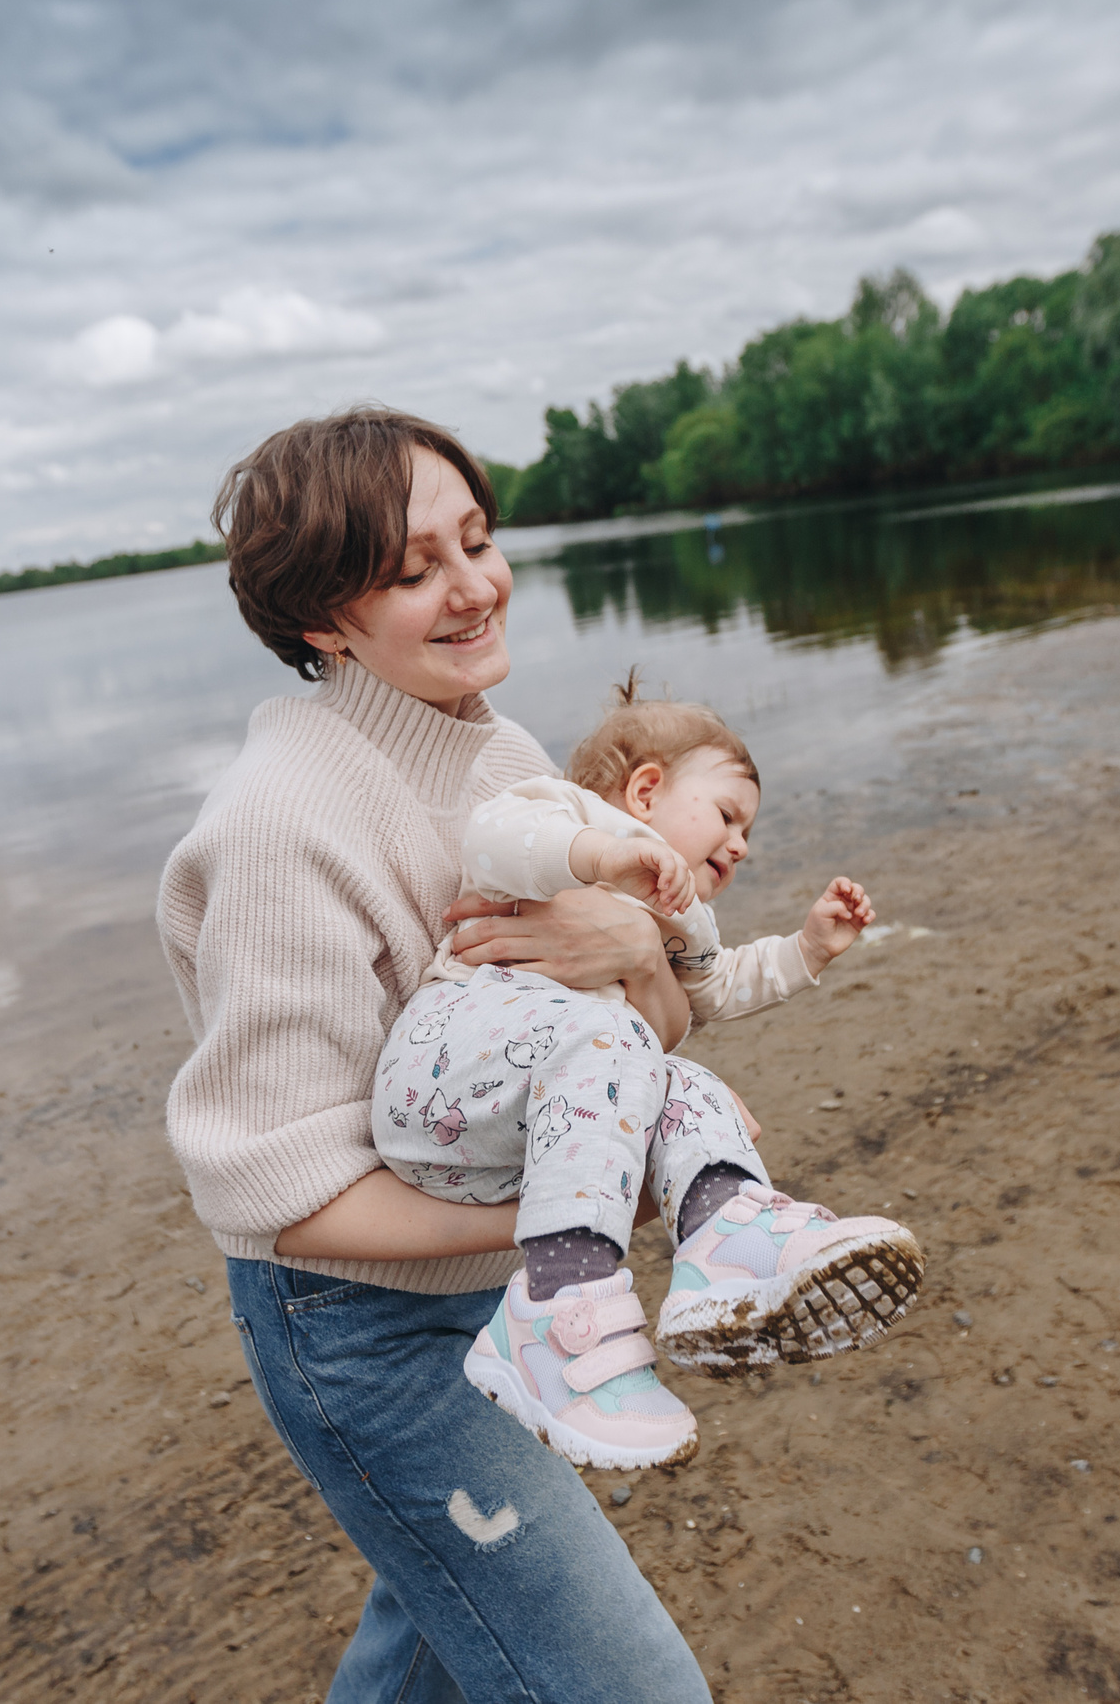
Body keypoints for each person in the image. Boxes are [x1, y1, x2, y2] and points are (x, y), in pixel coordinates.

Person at [160, 408, 712, 1701]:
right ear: (319, 619)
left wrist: (631, 944)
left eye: (478, 539)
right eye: (414, 570)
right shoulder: (280, 825)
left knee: (436, 1632)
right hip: (359, 1328)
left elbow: (649, 1030)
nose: (474, 587)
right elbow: (277, 1193)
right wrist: (568, 1205)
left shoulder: (502, 756)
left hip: (495, 1278)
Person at [373, 686, 924, 1472]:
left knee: (688, 1085)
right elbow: (498, 835)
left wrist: (807, 948)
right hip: (440, 1082)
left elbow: (719, 988)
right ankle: (556, 1309)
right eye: (729, 814)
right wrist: (602, 856)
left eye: (749, 832)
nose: (742, 845)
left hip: (523, 1144)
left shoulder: (684, 923)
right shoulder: (565, 824)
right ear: (645, 791)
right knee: (619, 1038)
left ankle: (727, 1242)